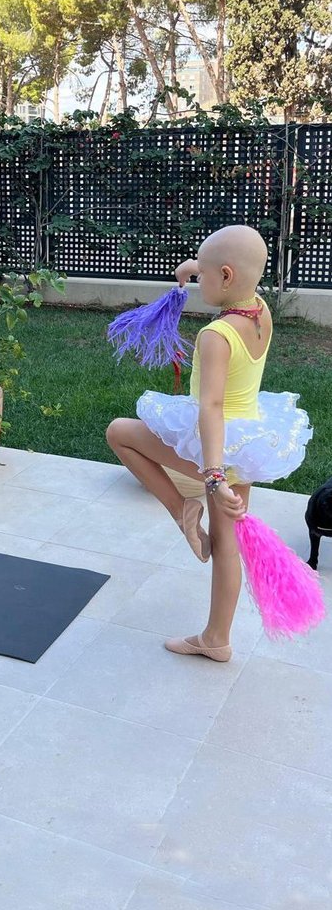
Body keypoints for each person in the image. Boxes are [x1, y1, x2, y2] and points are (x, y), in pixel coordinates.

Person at [106, 225, 311, 663]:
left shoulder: (215, 337)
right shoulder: (259, 310)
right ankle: (216, 638)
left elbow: (211, 406)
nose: (198, 283)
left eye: (204, 276)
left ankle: (182, 508)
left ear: (225, 275)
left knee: (120, 433)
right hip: (251, 442)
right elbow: (227, 271)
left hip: (216, 448)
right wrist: (195, 268)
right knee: (227, 543)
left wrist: (212, 474)